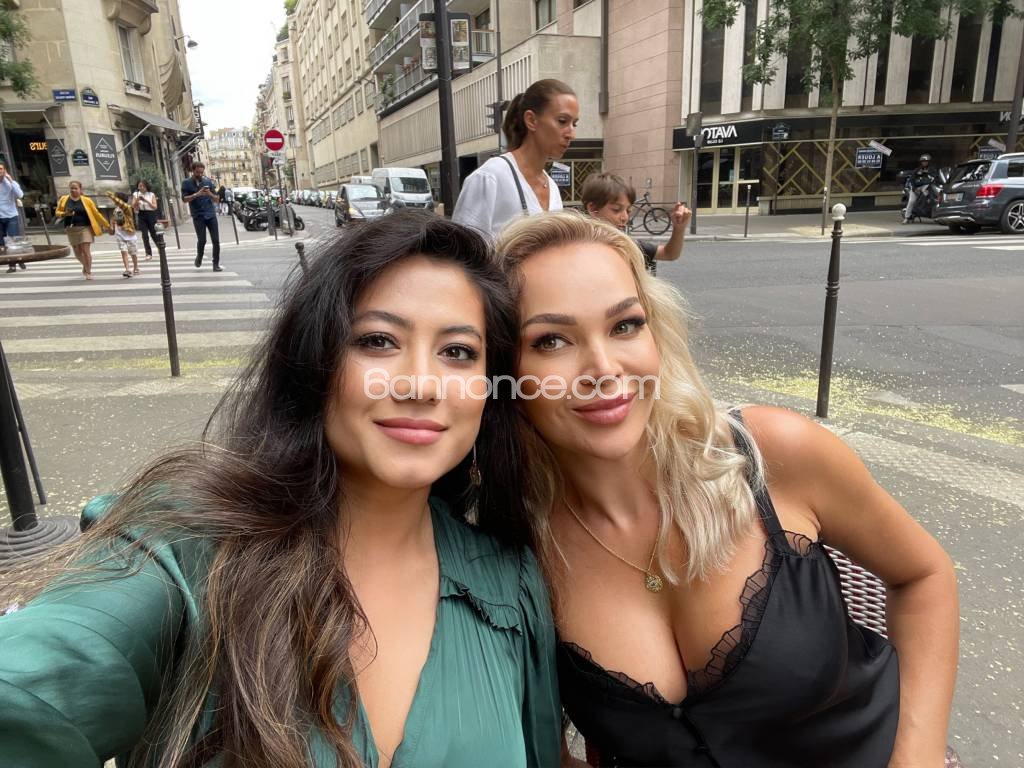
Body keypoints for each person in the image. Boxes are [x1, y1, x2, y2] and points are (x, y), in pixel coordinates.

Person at [0, 211, 561, 768]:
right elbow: (31, 695)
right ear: (315, 363)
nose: (420, 385)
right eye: (377, 341)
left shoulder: (510, 583)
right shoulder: (188, 546)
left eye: (458, 352)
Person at [497, 212, 959, 768]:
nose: (603, 367)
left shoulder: (771, 455)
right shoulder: (516, 546)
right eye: (551, 340)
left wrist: (917, 756)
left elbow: (924, 575)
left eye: (625, 325)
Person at [453, 78, 579, 240]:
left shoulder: (552, 188)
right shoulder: (490, 177)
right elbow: (461, 249)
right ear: (531, 120)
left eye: (574, 124)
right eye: (562, 121)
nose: (571, 134)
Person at [580, 172, 691, 276]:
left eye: (628, 211)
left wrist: (679, 228)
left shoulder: (627, 245)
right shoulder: (576, 246)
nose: (625, 218)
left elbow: (669, 254)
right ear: (592, 208)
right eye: (616, 209)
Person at [55, 180, 109, 281]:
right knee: (77, 252)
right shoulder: (64, 199)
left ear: (80, 189)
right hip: (71, 229)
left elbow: (96, 214)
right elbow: (57, 212)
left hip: (85, 228)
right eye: (71, 188)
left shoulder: (87, 200)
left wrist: (107, 225)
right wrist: (64, 214)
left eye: (75, 188)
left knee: (85, 250)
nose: (73, 190)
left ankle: (88, 272)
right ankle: (85, 265)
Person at [181, 162, 222, 271]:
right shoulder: (186, 183)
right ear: (193, 171)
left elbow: (217, 199)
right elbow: (184, 199)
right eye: (197, 172)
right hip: (198, 215)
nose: (200, 174)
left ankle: (216, 264)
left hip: (210, 214)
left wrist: (210, 194)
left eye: (201, 172)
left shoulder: (208, 182)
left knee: (216, 240)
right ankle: (199, 257)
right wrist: (196, 194)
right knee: (202, 240)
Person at [107, 191, 140, 277]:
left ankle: (136, 267)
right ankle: (127, 269)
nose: (114, 201)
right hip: (120, 234)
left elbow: (122, 205)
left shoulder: (127, 208)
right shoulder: (116, 210)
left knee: (133, 253)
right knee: (123, 251)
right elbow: (113, 219)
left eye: (116, 198)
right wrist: (111, 227)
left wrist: (111, 196)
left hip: (130, 234)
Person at [0, 161, 26, 272]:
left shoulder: (11, 183)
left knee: (13, 240)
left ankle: (15, 262)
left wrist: (10, 180)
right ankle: (14, 261)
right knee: (2, 242)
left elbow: (20, 195)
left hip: (11, 216)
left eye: (0, 169)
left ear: (4, 170)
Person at [131, 179, 162, 261]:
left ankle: (160, 248)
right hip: (141, 214)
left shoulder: (151, 194)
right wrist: (137, 200)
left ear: (146, 187)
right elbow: (133, 205)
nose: (141, 188)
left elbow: (155, 207)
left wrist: (146, 201)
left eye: (143, 186)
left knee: (153, 233)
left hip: (151, 214)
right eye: (139, 186)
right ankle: (148, 253)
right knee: (144, 234)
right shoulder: (136, 194)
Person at [903, 153, 935, 224]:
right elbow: (912, 179)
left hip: (926, 187)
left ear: (929, 162)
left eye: (926, 161)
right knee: (911, 201)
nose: (924, 163)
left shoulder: (932, 170)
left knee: (930, 197)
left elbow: (934, 178)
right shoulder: (917, 170)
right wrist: (914, 188)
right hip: (916, 187)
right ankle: (907, 217)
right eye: (923, 161)